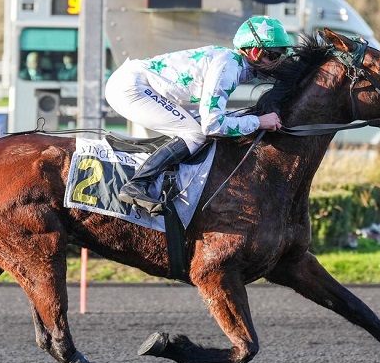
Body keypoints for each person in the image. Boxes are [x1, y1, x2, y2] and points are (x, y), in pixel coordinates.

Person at [104, 15, 292, 216]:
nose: (277, 63)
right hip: (131, 87)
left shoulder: (232, 63)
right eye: (273, 56)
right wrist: (259, 122)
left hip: (137, 84)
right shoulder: (228, 67)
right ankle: (137, 185)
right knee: (195, 134)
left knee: (197, 129)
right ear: (254, 52)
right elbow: (212, 125)